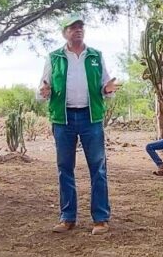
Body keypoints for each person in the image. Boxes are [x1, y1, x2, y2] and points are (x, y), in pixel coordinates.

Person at [39, 15, 120, 235]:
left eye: (81, 27)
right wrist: (44, 92)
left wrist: (108, 90)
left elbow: (105, 85)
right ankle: (67, 218)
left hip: (90, 118)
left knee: (98, 168)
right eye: (73, 28)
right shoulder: (54, 57)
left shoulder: (95, 55)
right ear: (64, 32)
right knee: (65, 168)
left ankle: (101, 219)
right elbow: (43, 88)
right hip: (63, 119)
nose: (78, 31)